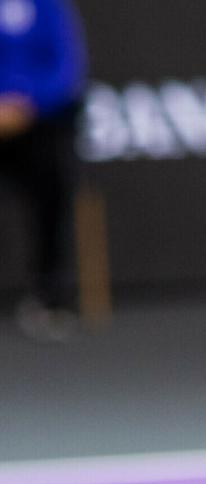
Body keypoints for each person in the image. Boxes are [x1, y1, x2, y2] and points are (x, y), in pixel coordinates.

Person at [0, 0, 87, 340]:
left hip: (38, 122)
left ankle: (51, 296)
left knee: (54, 180)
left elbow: (66, 66)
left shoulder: (48, 6)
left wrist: (26, 104)